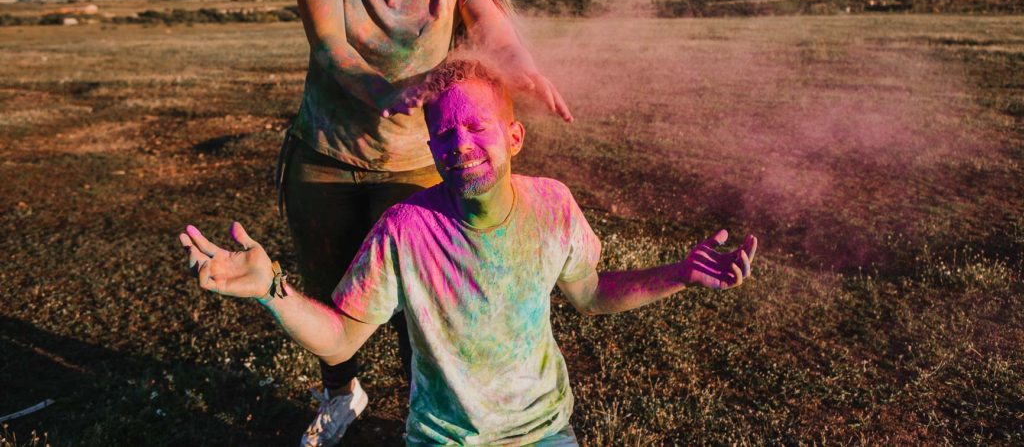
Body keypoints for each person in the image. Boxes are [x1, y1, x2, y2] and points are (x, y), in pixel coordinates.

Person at [181, 59, 758, 446]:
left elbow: (592, 292)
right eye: (445, 134)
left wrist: (680, 273)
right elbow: (340, 338)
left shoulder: (553, 207)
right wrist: (271, 290)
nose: (461, 145)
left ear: (513, 136)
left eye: (476, 126)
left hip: (544, 432)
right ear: (430, 146)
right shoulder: (405, 230)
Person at [279, 0, 572, 445]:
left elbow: (495, 35)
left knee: (424, 304)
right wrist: (386, 90)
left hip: (416, 162)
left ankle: (428, 411)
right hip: (324, 157)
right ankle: (340, 393)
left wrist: (527, 71)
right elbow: (329, 45)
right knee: (331, 292)